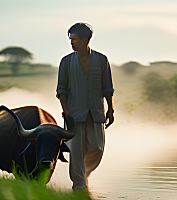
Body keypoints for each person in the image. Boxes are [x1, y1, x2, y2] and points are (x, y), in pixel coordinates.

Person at [56, 22, 114, 191]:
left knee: (97, 147)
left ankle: (84, 173)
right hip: (74, 113)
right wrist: (66, 110)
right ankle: (79, 184)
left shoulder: (102, 60)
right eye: (70, 39)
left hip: (96, 112)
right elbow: (61, 89)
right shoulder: (66, 62)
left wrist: (110, 109)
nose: (71, 42)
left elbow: (107, 87)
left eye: (74, 39)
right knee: (76, 150)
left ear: (85, 40)